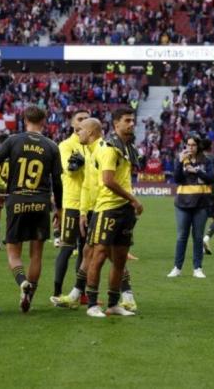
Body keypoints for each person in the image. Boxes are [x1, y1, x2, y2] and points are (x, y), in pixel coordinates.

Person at [0, 106, 63, 313]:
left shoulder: (13, 140)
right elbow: (57, 181)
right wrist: (60, 209)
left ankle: (22, 282)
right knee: (36, 254)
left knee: (13, 252)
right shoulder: (51, 146)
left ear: (24, 119)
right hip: (41, 202)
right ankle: (29, 294)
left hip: (17, 200)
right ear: (44, 121)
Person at [56, 118, 138, 312]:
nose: (78, 132)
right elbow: (87, 184)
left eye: (81, 129)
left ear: (91, 131)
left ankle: (123, 296)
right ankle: (81, 294)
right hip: (96, 208)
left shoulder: (103, 149)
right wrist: (84, 212)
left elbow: (105, 182)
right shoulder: (90, 151)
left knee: (106, 254)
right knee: (90, 252)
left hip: (106, 208)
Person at [85, 107, 143, 318]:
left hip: (124, 210)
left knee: (119, 260)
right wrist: (133, 199)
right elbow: (108, 181)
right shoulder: (110, 148)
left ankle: (112, 304)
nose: (131, 124)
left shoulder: (126, 147)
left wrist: (129, 202)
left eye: (133, 120)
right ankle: (92, 304)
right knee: (99, 256)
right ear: (116, 123)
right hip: (108, 209)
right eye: (127, 120)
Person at [51, 109, 90, 305]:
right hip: (73, 203)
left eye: (86, 119)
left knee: (85, 250)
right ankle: (57, 292)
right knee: (67, 248)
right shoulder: (66, 145)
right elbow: (70, 170)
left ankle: (81, 293)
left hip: (90, 203)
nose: (84, 122)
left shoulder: (93, 144)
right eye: (80, 119)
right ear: (73, 123)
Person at [167, 135, 214, 278]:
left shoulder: (206, 161)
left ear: (198, 146)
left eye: (193, 145)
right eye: (188, 145)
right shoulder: (181, 159)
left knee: (198, 237)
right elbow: (177, 179)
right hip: (182, 203)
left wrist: (197, 171)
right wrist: (179, 163)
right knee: (182, 236)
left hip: (201, 203)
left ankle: (197, 268)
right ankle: (177, 267)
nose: (190, 147)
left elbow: (211, 178)